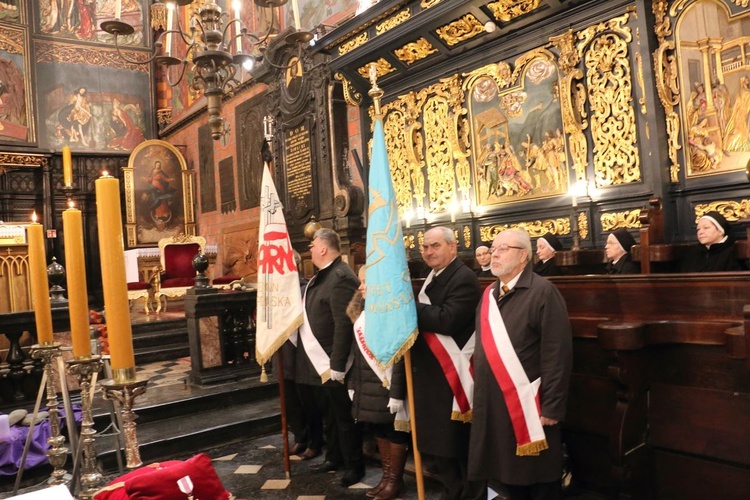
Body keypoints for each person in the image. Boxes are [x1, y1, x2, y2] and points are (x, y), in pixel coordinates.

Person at [469, 228, 572, 500]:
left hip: (530, 406)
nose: (494, 254)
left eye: (502, 248)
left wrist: (552, 407)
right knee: (503, 475)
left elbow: (557, 355)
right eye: (493, 249)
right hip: (494, 404)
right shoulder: (489, 294)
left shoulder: (543, 292)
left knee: (535, 479)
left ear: (523, 255)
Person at [412, 226, 483, 500]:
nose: (429, 252)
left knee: (454, 445)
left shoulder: (462, 278)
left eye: (435, 246)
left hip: (451, 378)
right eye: (425, 247)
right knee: (441, 447)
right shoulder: (433, 276)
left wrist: (410, 306)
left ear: (452, 247)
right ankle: (451, 490)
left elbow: (447, 319)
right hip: (432, 375)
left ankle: (464, 494)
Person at [295, 228, 365, 487]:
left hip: (333, 362)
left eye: (313, 245)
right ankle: (335, 456)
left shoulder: (340, 277)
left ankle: (354, 466)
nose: (310, 249)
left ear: (323, 248)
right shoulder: (322, 276)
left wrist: (336, 364)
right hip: (318, 361)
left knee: (344, 418)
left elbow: (343, 324)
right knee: (330, 416)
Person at [346, 266, 410, 500]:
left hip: (387, 386)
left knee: (395, 433)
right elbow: (357, 353)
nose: (360, 287)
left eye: (365, 282)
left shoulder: (394, 313)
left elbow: (401, 358)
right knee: (378, 429)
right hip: (368, 386)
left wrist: (397, 393)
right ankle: (386, 477)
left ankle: (395, 480)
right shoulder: (364, 313)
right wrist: (353, 383)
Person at [273, 250, 322, 461]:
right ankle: (300, 437)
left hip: (302, 354)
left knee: (308, 402)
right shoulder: (274, 291)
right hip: (283, 354)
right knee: (290, 401)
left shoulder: (305, 289)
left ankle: (315, 441)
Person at [678, 211, 745, 272]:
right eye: (698, 229)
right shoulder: (692, 253)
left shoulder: (734, 252)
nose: (700, 232)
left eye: (706, 228)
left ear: (720, 231)